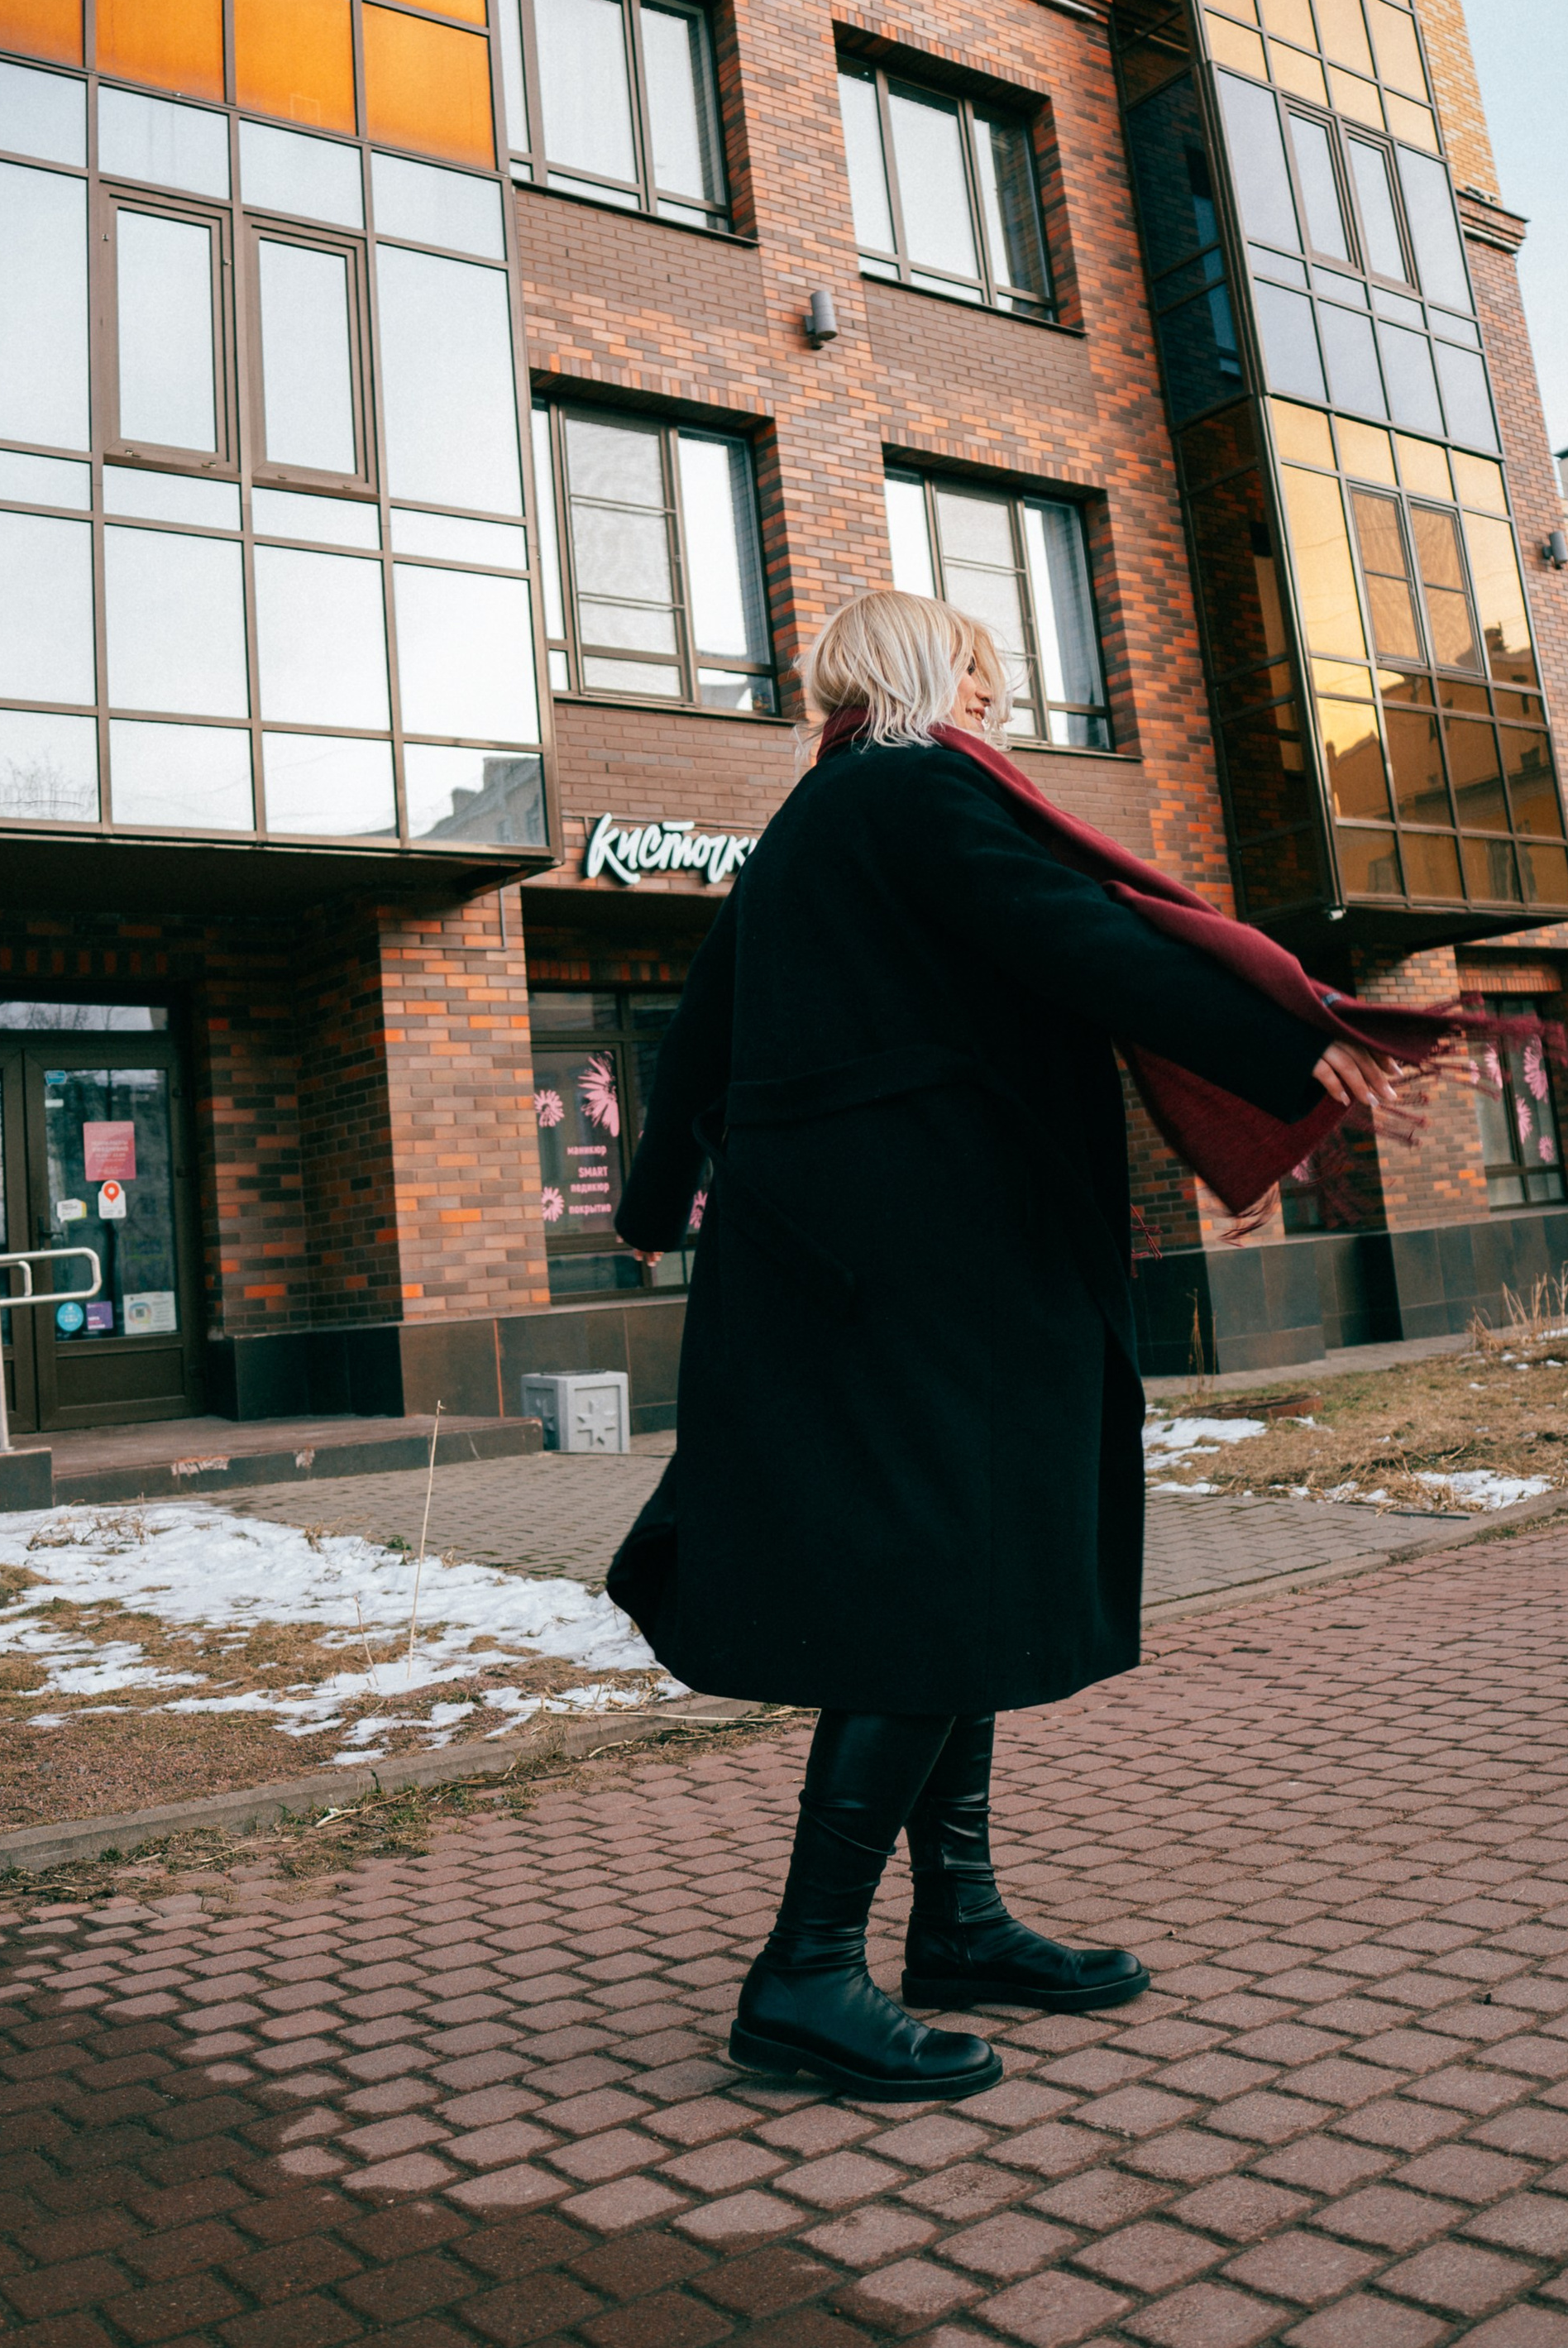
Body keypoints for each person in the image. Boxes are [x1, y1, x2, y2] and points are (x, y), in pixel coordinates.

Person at [608, 589, 1460, 2106]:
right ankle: (804, 1975)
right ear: (924, 683)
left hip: (861, 1274)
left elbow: (699, 1030)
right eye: (986, 680)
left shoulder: (811, 826)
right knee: (940, 1580)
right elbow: (1073, 938)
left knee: (968, 1570)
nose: (1002, 708)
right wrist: (1281, 1042)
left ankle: (961, 1920)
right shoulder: (916, 789)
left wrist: (652, 1204)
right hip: (945, 1273)